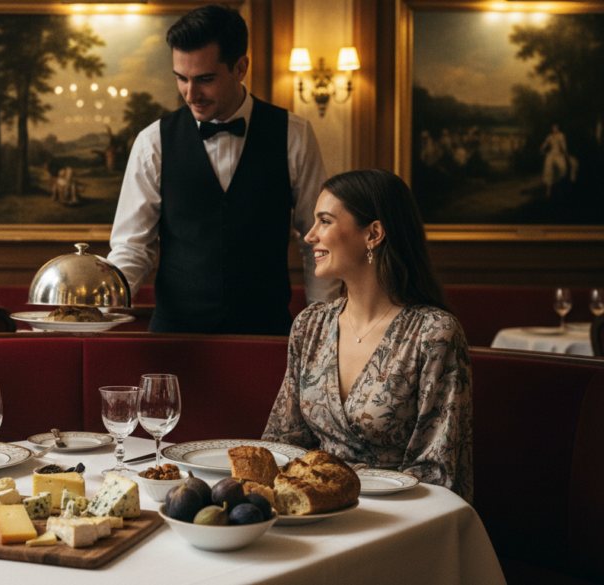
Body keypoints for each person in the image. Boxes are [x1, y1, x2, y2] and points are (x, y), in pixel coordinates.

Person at [107, 5, 337, 335]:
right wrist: (106, 303)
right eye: (181, 79)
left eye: (205, 79)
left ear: (240, 67)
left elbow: (319, 237)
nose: (190, 93)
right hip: (176, 339)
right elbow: (132, 247)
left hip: (266, 332)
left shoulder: (293, 134)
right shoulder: (152, 142)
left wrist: (322, 321)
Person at [261, 169, 473, 503]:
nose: (309, 235)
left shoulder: (433, 333)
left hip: (399, 517)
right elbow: (283, 442)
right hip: (316, 508)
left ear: (373, 233)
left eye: (325, 221)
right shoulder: (310, 325)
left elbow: (438, 470)